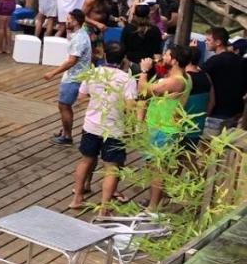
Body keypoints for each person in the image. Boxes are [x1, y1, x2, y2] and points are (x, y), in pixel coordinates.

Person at [72, 43, 136, 212]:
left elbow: (81, 96)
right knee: (111, 167)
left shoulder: (93, 72)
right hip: (114, 128)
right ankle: (104, 208)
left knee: (86, 160)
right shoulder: (127, 79)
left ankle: (77, 198)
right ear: (123, 59)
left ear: (105, 55)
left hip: (91, 124)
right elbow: (130, 106)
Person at [139, 44, 193, 208]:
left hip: (163, 129)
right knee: (153, 167)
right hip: (159, 125)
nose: (164, 56)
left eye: (167, 55)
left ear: (175, 60)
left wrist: (143, 71)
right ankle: (156, 200)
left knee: (158, 170)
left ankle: (153, 207)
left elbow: (143, 90)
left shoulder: (176, 81)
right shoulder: (185, 76)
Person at [44, 9, 91, 144]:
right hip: (77, 75)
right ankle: (65, 130)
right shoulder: (80, 33)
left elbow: (72, 61)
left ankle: (67, 136)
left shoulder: (79, 39)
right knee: (65, 105)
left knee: (64, 105)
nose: (66, 21)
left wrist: (52, 73)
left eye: (69, 19)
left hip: (74, 78)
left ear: (76, 21)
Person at [203, 27, 247, 135]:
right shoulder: (241, 61)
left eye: (208, 40)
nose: (206, 42)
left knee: (206, 147)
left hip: (217, 112)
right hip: (236, 111)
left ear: (218, 42)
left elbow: (196, 74)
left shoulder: (215, 61)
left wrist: (192, 52)